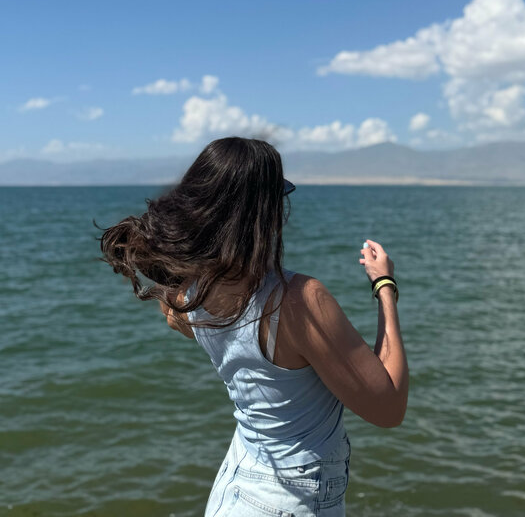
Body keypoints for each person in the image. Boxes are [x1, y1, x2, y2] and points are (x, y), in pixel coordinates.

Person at [99, 136, 409, 516]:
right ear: (265, 215)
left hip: (235, 486)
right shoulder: (299, 300)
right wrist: (385, 288)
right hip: (292, 500)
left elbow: (184, 315)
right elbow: (389, 408)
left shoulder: (185, 297)